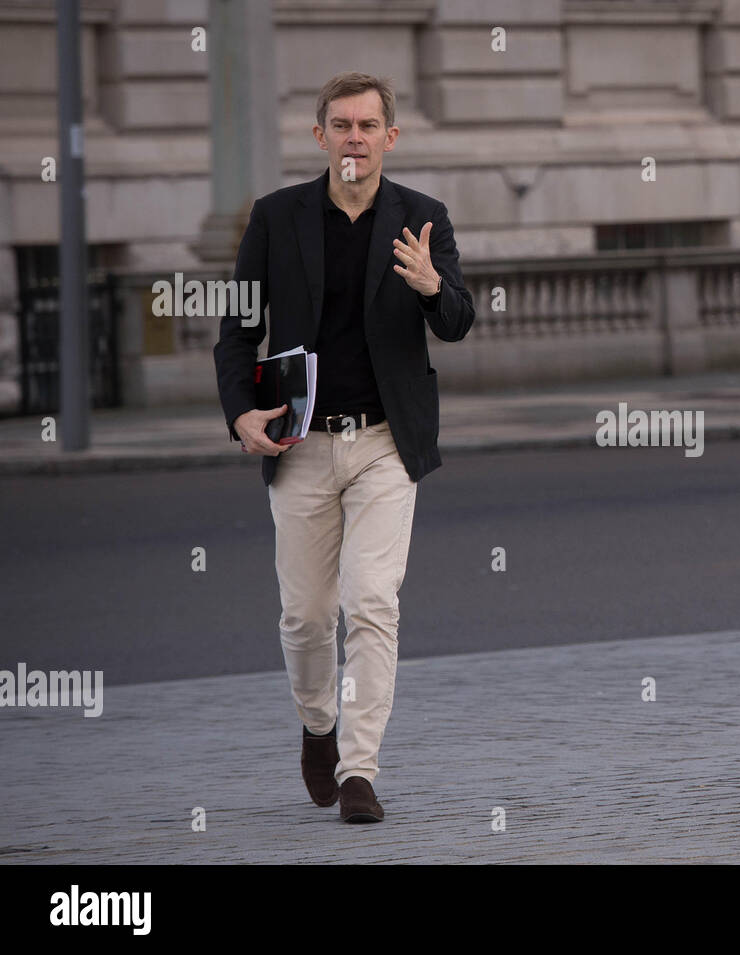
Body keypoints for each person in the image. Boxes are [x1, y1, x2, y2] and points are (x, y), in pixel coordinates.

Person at [213, 71, 474, 822]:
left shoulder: (423, 219)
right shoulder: (276, 218)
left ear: (390, 138)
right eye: (341, 125)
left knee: (371, 603)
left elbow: (457, 320)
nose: (354, 137)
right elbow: (236, 330)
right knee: (305, 615)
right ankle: (318, 724)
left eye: (368, 126)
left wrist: (431, 285)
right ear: (319, 135)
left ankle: (360, 768)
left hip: (387, 444)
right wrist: (240, 415)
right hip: (300, 442)